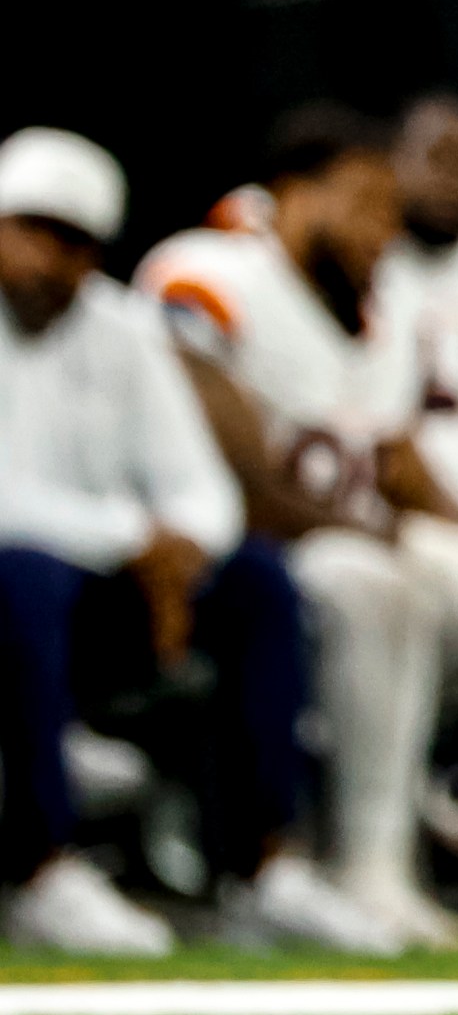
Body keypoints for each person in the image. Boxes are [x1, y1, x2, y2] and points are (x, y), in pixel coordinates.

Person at [0, 127, 389, 955]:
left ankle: (262, 866)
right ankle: (39, 867)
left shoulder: (125, 330)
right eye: (31, 230)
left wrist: (179, 549)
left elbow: (202, 486)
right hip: (27, 590)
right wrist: (140, 541)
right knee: (23, 575)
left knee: (256, 580)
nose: (47, 260)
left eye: (72, 242)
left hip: (113, 597)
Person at [137, 106, 458, 949]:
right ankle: (364, 866)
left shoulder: (384, 311)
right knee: (372, 585)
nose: (383, 230)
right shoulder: (210, 271)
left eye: (390, 211)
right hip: (236, 546)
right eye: (364, 203)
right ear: (293, 193)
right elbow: (239, 478)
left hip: (342, 542)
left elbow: (400, 465)